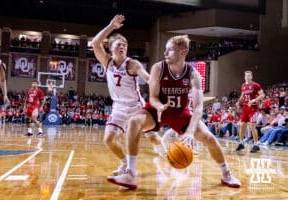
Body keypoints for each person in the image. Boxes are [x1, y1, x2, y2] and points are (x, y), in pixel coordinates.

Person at [107, 35, 241, 189]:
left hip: (180, 114)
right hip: (157, 111)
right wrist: (159, 106)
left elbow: (198, 107)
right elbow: (153, 97)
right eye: (165, 50)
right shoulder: (158, 68)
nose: (165, 53)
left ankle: (226, 173)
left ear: (183, 52)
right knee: (134, 121)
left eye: (170, 50)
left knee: (209, 138)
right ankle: (130, 173)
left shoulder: (193, 74)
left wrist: (190, 132)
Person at [91, 15, 163, 176]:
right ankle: (125, 163)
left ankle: (164, 152)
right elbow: (95, 43)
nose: (122, 46)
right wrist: (111, 26)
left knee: (152, 138)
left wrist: (158, 85)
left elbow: (147, 78)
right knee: (108, 139)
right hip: (118, 108)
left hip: (137, 108)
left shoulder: (132, 64)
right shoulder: (107, 61)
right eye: (119, 44)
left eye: (125, 45)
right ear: (110, 48)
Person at [235, 71, 264, 153]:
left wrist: (254, 100)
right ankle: (241, 143)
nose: (247, 77)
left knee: (252, 126)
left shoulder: (256, 85)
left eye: (249, 75)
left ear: (251, 77)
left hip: (253, 108)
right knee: (242, 125)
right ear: (244, 77)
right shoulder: (243, 85)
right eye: (246, 75)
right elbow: (242, 95)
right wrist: (238, 101)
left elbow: (262, 95)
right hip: (245, 107)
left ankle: (256, 144)